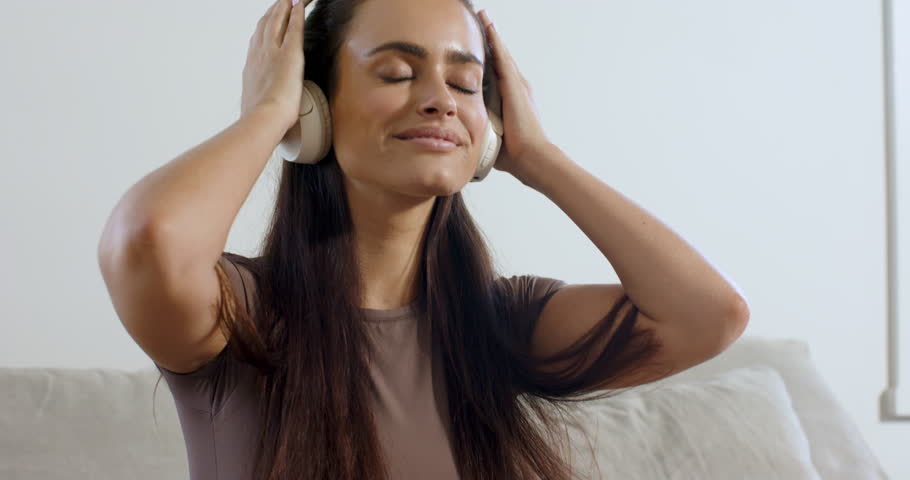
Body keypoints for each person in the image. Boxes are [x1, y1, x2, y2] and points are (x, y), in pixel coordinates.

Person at [97, 0, 751, 478]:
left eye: (465, 82)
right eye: (397, 73)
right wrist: (269, 115)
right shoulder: (239, 317)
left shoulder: (498, 323)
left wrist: (540, 156)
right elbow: (147, 240)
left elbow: (710, 316)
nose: (441, 99)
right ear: (315, 108)